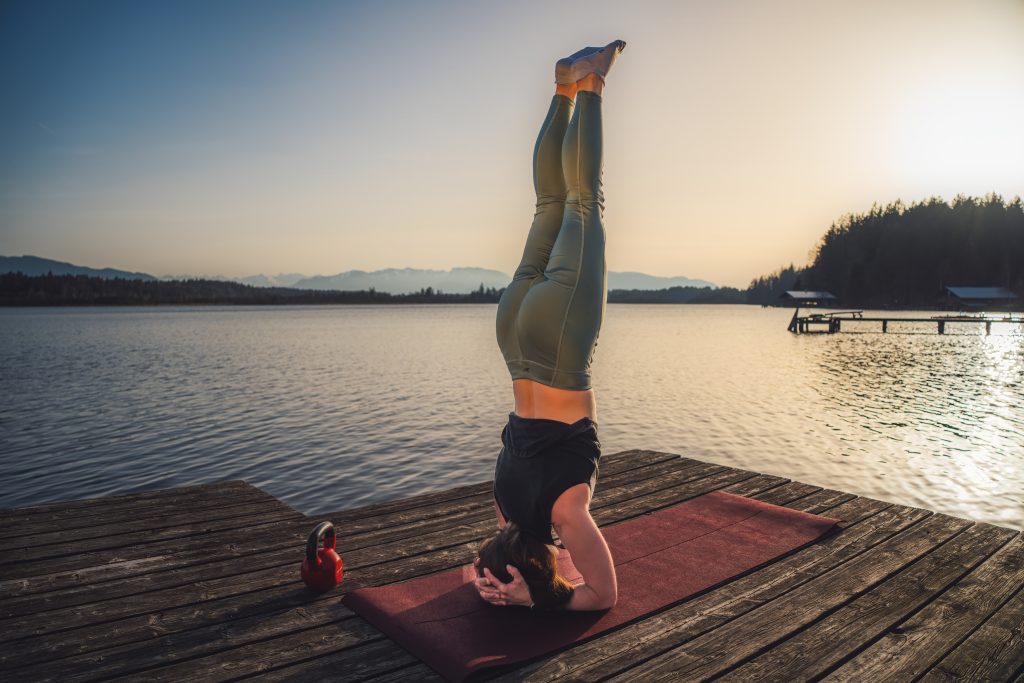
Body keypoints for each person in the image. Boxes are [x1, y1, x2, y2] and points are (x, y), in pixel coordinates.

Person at [473, 40, 626, 612]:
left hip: (557, 343)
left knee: (584, 202)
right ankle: (563, 87)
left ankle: (591, 83)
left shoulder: (566, 512)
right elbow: (512, 536)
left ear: (549, 563)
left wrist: (540, 600)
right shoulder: (506, 504)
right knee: (548, 205)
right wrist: (495, 574)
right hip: (512, 333)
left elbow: (603, 596)